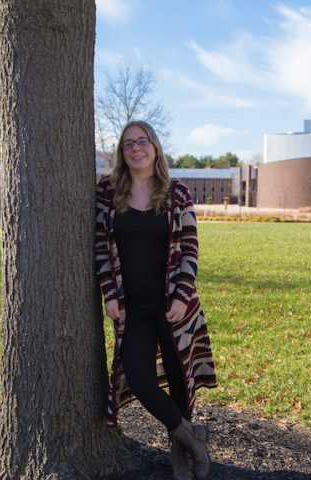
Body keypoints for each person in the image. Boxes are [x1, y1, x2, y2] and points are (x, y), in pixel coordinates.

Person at [96, 120, 217, 480]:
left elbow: (191, 248)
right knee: (141, 378)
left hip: (172, 306)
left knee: (180, 377)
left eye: (142, 141)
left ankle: (181, 454)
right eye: (129, 143)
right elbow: (101, 247)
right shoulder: (108, 193)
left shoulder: (176, 193)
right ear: (122, 152)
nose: (136, 148)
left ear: (155, 147)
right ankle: (193, 438)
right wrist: (108, 293)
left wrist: (183, 294)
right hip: (132, 308)